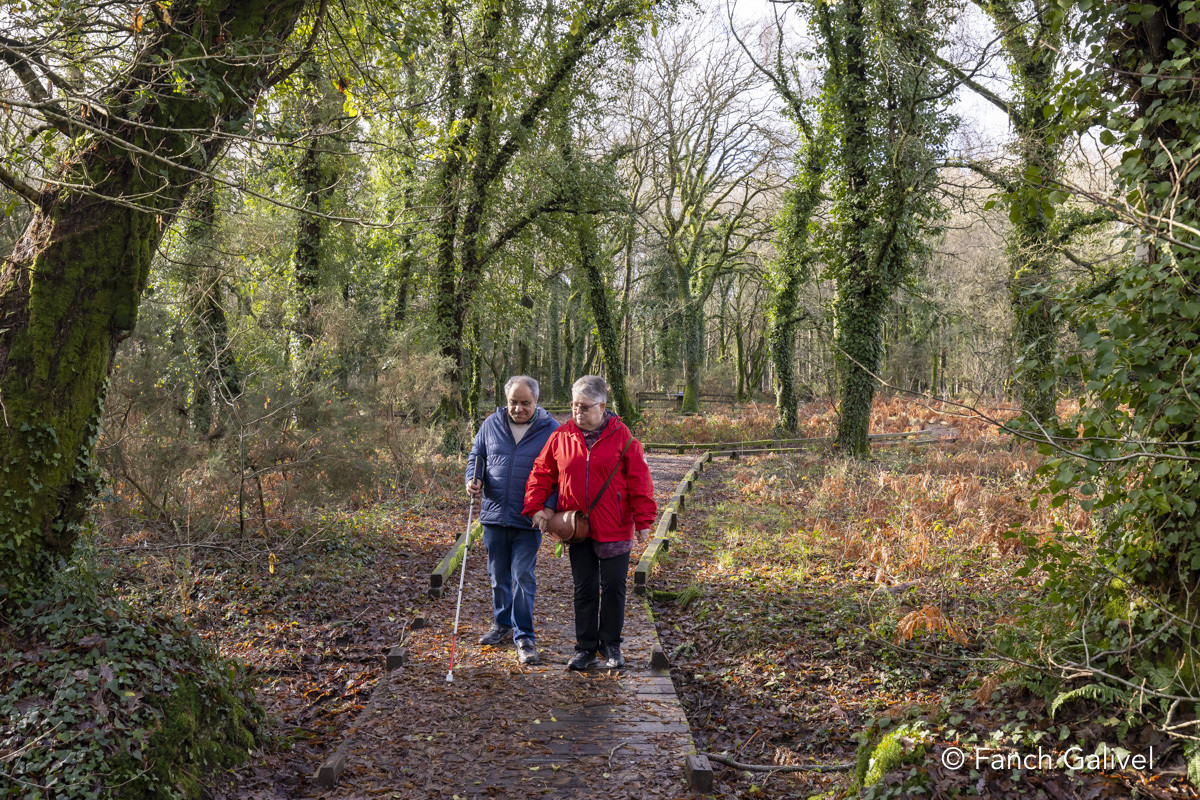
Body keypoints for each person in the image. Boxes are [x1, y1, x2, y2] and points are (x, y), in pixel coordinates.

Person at [524, 375, 655, 670]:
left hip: (616, 525)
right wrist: (536, 507)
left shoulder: (624, 437)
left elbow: (640, 482)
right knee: (583, 588)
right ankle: (584, 647)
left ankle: (611, 645)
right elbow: (542, 473)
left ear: (602, 406)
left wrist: (644, 520)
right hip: (577, 527)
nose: (577, 413)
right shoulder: (561, 436)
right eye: (573, 406)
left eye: (584, 407)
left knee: (613, 588)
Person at [466, 375, 559, 665]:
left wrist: (548, 508)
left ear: (536, 401)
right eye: (513, 403)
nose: (518, 408)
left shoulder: (552, 431)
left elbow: (559, 476)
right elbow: (476, 456)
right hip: (493, 514)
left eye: (525, 403)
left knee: (522, 575)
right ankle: (501, 624)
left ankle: (524, 636)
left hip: (529, 518)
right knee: (498, 576)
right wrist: (472, 478)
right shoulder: (490, 424)